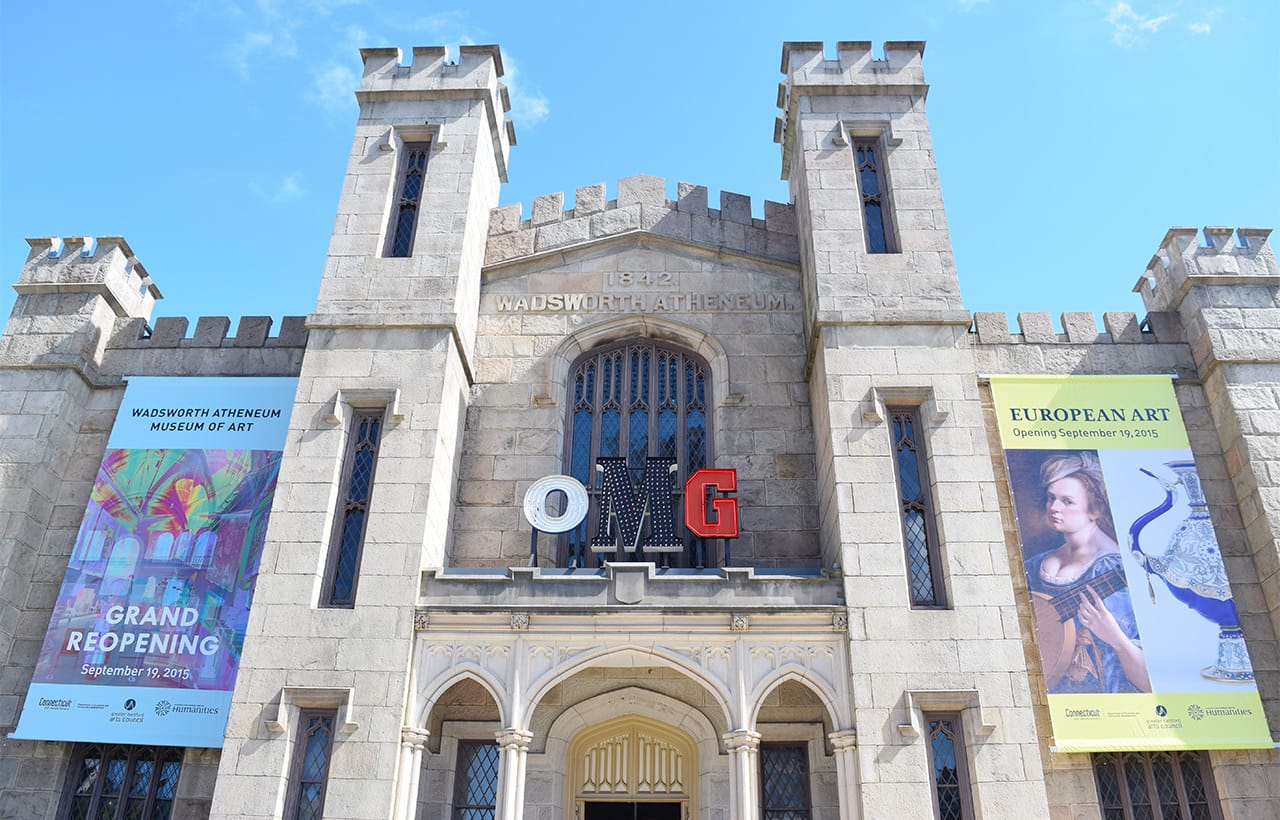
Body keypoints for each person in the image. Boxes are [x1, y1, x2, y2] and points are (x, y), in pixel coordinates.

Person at [1024, 452, 1151, 694]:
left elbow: (1148, 679)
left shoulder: (1113, 569)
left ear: (1094, 510)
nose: (1054, 507)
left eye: (1067, 501)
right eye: (1051, 498)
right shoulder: (1036, 564)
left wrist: (1114, 637)